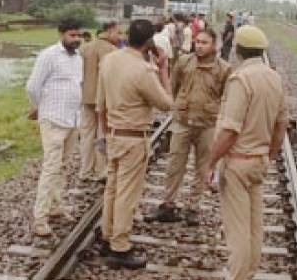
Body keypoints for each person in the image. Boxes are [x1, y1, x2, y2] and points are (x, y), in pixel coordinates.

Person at [203, 25, 287, 280]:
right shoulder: (274, 78)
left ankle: (237, 275)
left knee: (237, 228)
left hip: (238, 162)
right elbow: (281, 124)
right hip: (259, 161)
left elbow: (230, 130)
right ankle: (249, 272)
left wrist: (211, 163)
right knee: (254, 225)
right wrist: (269, 155)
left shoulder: (241, 79)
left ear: (237, 50)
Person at [96, 20, 175, 269]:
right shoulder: (143, 71)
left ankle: (107, 235)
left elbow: (100, 103)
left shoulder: (109, 60)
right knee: (126, 194)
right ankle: (120, 246)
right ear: (149, 42)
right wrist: (163, 69)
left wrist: (105, 133)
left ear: (128, 36)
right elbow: (167, 104)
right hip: (133, 138)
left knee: (112, 189)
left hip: (113, 134)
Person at [145, 29, 232, 226]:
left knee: (202, 167)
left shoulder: (224, 69)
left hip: (207, 124)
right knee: (175, 164)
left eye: (204, 43)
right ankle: (168, 204)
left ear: (214, 45)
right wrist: (180, 105)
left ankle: (193, 207)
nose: (199, 46)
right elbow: (174, 87)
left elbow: (225, 96)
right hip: (182, 122)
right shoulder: (184, 62)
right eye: (197, 41)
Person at [26, 19, 84, 237]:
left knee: (63, 166)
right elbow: (32, 86)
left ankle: (55, 206)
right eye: (72, 35)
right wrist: (40, 107)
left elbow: (76, 85)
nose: (76, 39)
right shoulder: (48, 55)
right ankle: (40, 218)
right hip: (53, 119)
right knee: (51, 167)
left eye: (79, 35)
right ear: (61, 35)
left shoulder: (78, 58)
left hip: (72, 120)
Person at [79, 21, 119, 183]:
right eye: (118, 32)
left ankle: (85, 170)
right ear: (110, 31)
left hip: (86, 96)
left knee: (87, 133)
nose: (119, 36)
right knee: (102, 133)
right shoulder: (112, 50)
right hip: (104, 98)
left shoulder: (85, 48)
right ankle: (100, 169)